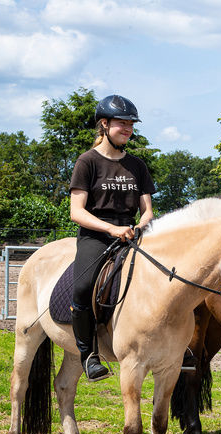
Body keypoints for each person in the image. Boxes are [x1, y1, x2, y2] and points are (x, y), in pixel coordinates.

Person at [69, 95, 154, 381]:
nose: (128, 129)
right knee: (83, 286)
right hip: (96, 236)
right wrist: (110, 229)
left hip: (132, 234)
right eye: (122, 124)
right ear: (104, 124)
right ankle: (88, 355)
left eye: (131, 124)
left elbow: (147, 211)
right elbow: (76, 212)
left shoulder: (137, 165)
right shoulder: (87, 162)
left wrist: (141, 225)